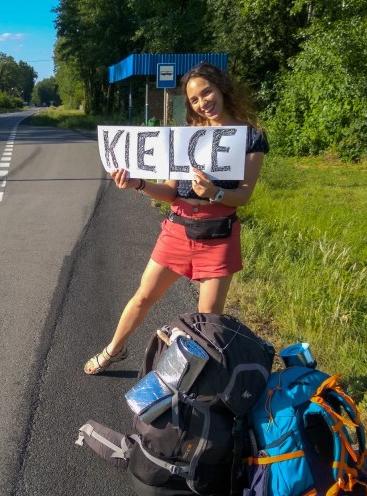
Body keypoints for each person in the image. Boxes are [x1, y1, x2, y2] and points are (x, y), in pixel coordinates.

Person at [84, 62, 270, 375]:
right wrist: (139, 183)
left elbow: (244, 196)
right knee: (143, 297)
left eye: (206, 92)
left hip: (219, 235)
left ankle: (191, 382)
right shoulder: (186, 138)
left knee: (207, 318)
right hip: (177, 228)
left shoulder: (250, 137)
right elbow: (171, 193)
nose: (203, 102)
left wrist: (214, 192)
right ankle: (113, 350)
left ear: (221, 88)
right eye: (195, 99)